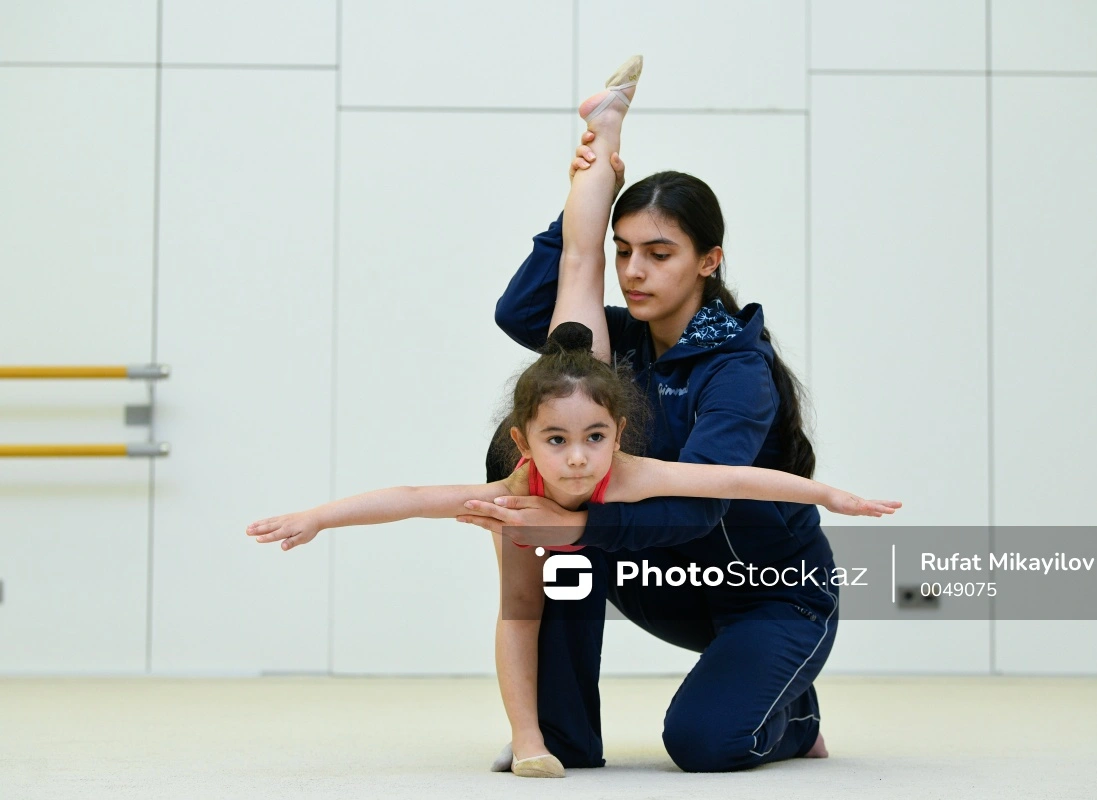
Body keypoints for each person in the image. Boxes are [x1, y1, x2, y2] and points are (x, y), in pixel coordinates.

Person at [460, 56, 877, 775]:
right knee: (546, 497)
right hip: (668, 578)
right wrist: (581, 204)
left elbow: (697, 504)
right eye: (623, 252)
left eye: (659, 254)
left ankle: (795, 711)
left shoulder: (738, 372)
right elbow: (521, 310)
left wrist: (573, 522)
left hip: (768, 599)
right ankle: (559, 738)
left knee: (705, 744)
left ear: (708, 260)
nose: (634, 273)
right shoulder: (621, 343)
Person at [246, 322, 899, 778]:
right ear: (523, 440)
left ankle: (789, 705)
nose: (578, 458)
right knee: (522, 602)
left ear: (618, 433)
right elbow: (415, 495)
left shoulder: (633, 474)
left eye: (594, 436)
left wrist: (833, 496)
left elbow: (735, 478)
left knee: (701, 737)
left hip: (733, 586)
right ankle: (541, 731)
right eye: (556, 440)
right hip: (626, 575)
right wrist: (317, 519)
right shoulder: (515, 490)